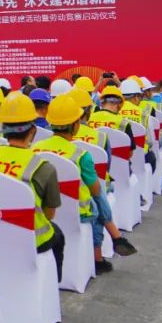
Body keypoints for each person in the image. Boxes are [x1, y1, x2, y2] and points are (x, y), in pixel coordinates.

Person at [36, 95, 137, 273]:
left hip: (43, 207)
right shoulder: (81, 154)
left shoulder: (34, 148)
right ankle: (101, 255)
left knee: (97, 199)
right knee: (98, 201)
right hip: (77, 211)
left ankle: (114, 238)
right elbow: (95, 188)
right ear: (76, 125)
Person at [0, 94, 64, 281]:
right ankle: (52, 285)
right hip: (30, 241)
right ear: (33, 131)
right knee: (58, 235)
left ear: (2, 129)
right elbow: (49, 214)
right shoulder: (43, 167)